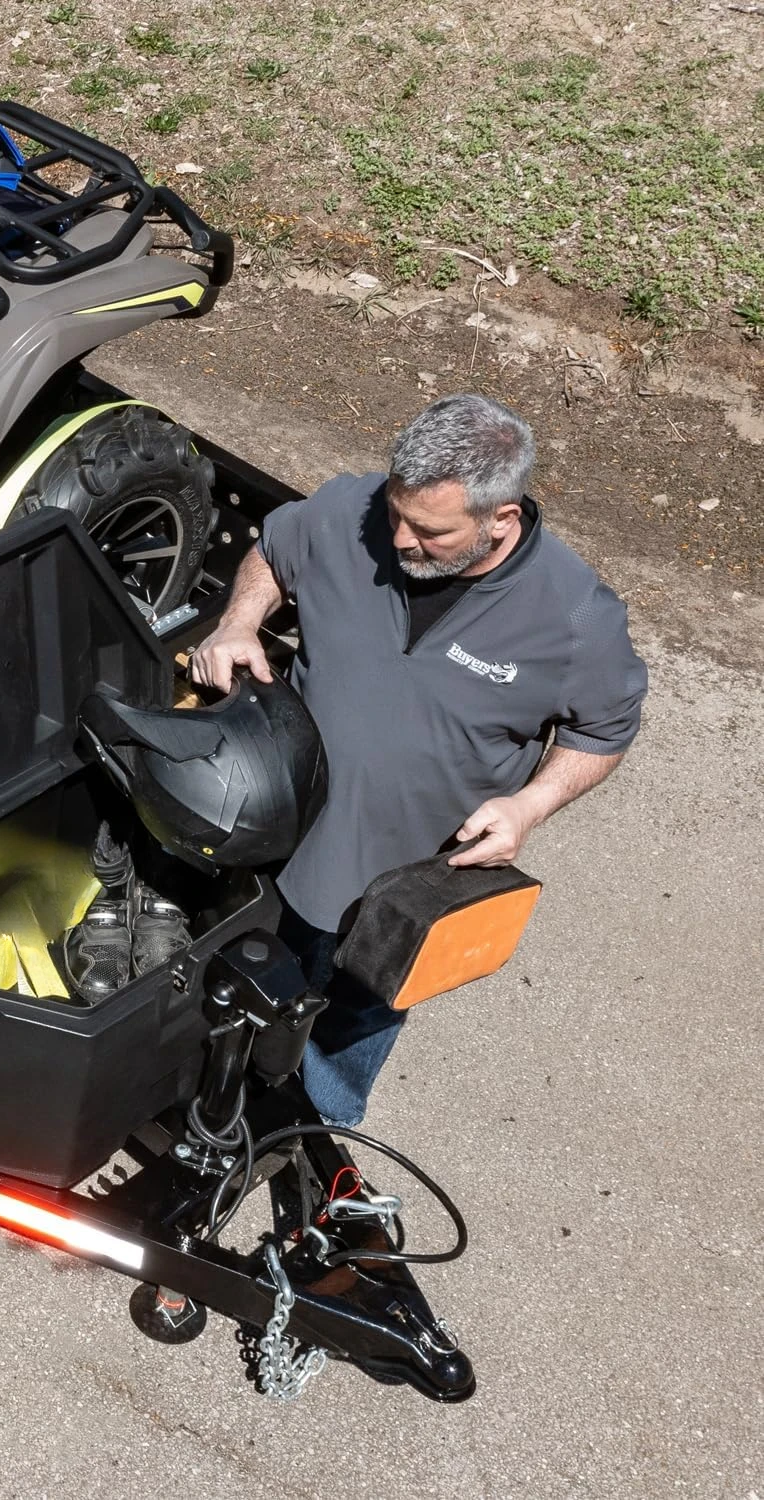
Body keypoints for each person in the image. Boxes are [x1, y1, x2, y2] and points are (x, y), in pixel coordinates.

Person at [189, 393, 647, 1125]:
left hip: (398, 887)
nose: (398, 538)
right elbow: (274, 551)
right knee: (237, 982)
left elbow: (605, 731)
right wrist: (240, 622)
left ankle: (314, 1137)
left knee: (353, 1021)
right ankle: (211, 1097)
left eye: (430, 530)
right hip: (274, 824)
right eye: (396, 512)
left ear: (503, 518)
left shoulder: (575, 620)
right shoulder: (352, 510)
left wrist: (529, 806)